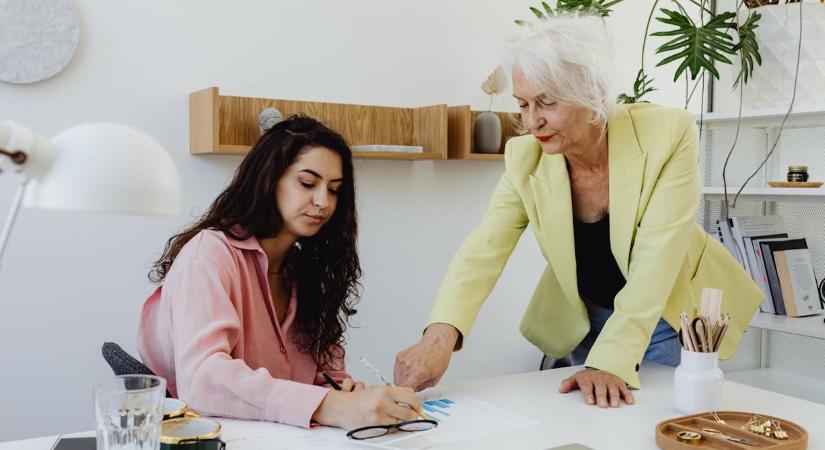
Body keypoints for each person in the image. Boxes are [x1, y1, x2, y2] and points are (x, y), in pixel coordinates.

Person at [394, 14, 762, 408]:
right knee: (592, 422)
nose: (532, 121)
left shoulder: (667, 134)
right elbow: (484, 250)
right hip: (587, 318)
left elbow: (658, 258)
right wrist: (439, 336)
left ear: (592, 92)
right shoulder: (525, 157)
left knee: (654, 422)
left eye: (547, 103)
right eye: (522, 104)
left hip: (666, 318)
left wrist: (609, 361)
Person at [138, 115, 420, 429]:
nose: (323, 201)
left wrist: (342, 393)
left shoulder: (310, 272)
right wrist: (327, 405)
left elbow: (324, 377)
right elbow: (203, 379)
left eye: (334, 189)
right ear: (269, 179)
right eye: (307, 183)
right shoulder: (209, 255)